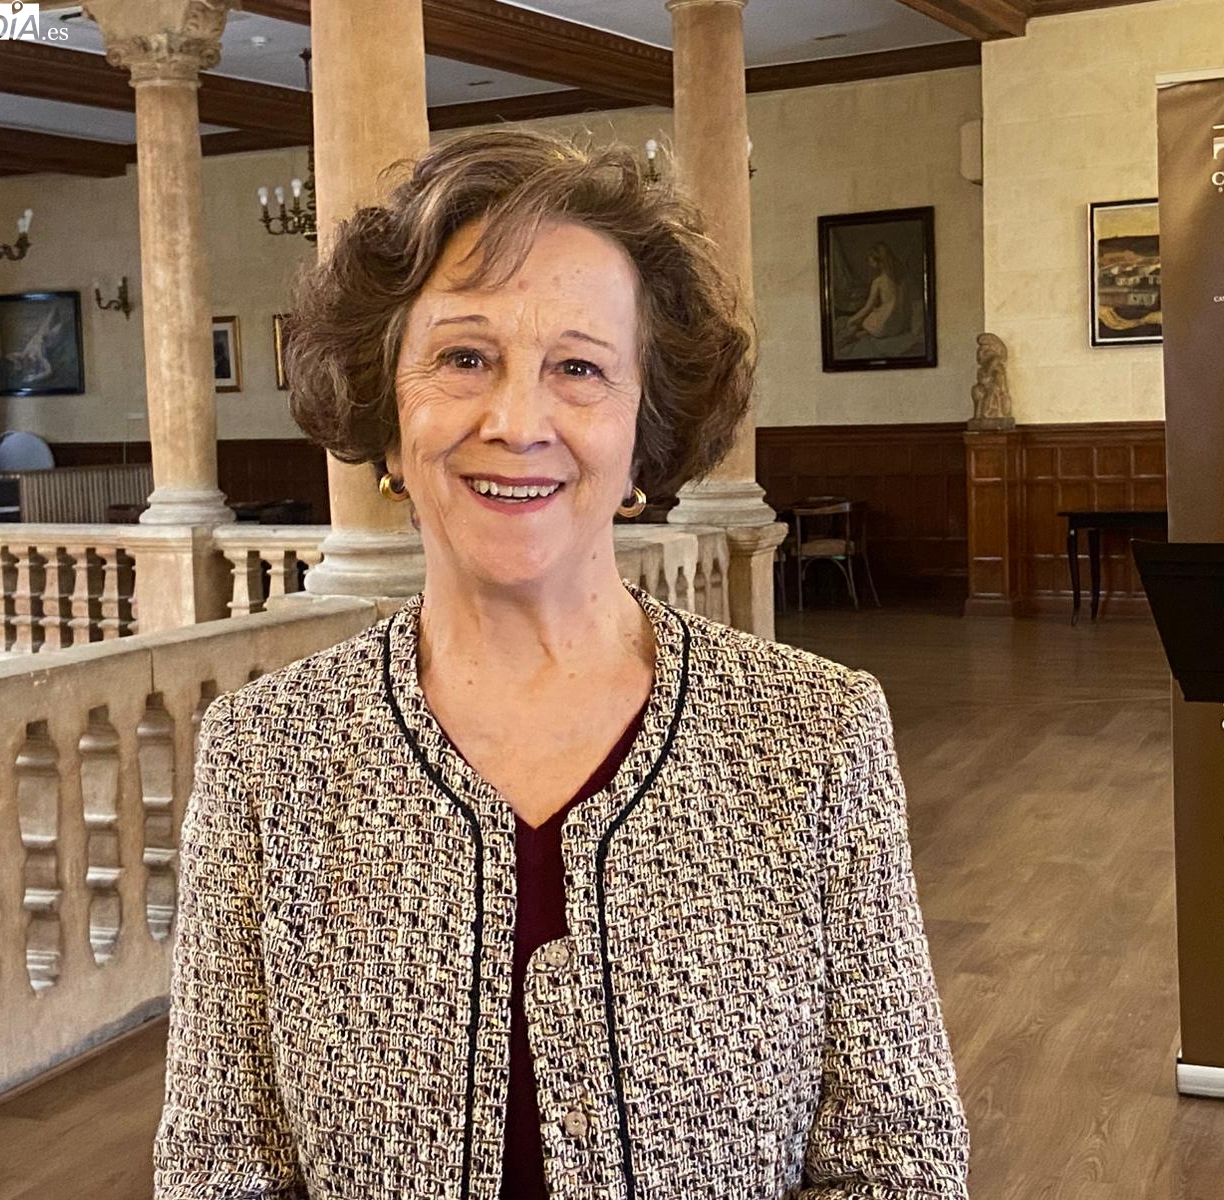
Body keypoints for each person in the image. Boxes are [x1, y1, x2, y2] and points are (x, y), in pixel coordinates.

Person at [153, 127, 969, 1200]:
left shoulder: (814, 734)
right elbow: (218, 1169)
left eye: (578, 368)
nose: (517, 421)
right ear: (387, 421)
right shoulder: (268, 757)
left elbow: (899, 1162)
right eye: (464, 358)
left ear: (643, 433)